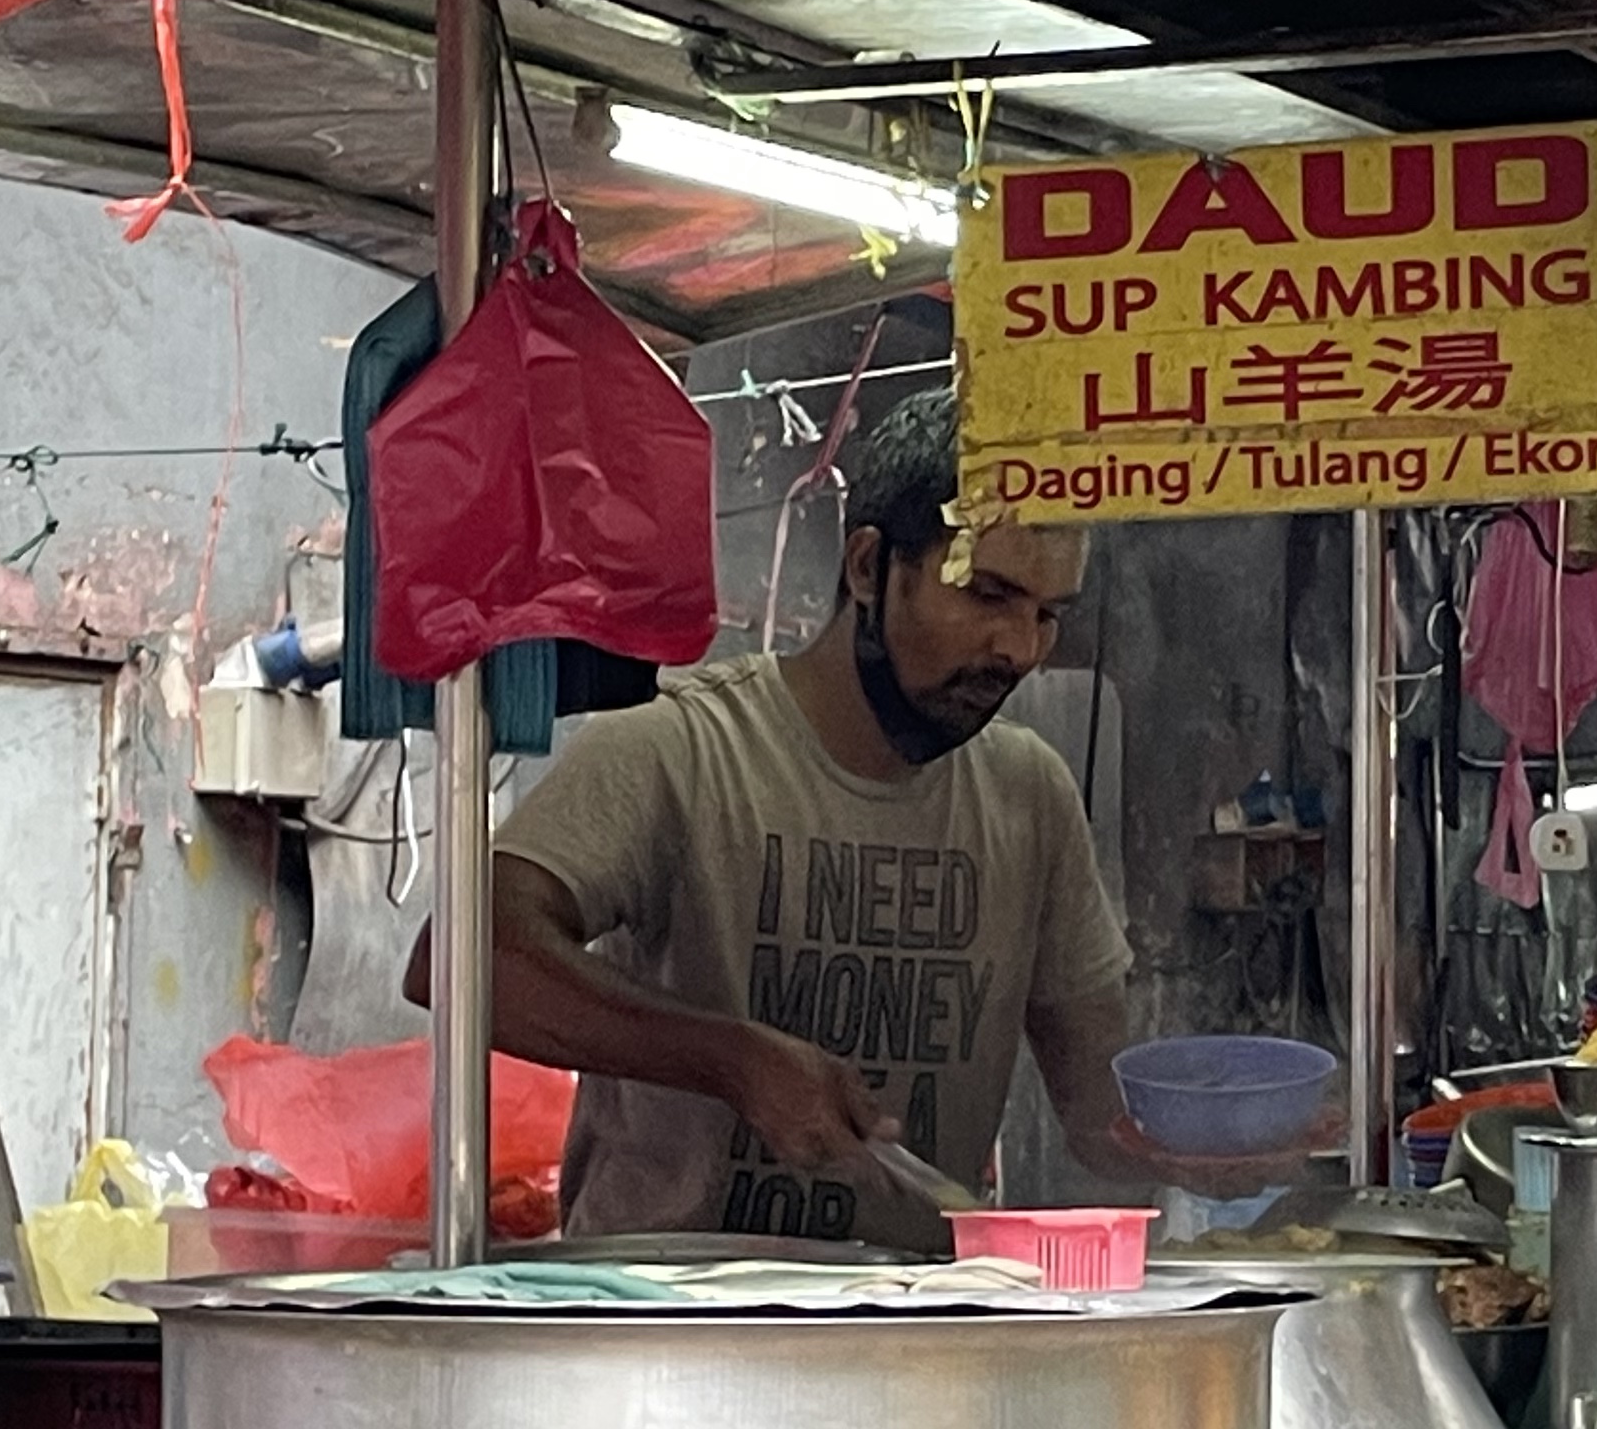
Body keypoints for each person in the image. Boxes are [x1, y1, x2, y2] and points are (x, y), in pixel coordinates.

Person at [446, 386, 1134, 1242]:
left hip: (916, 1310)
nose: (1020, 650)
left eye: (1047, 615)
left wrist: (1226, 1134)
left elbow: (1103, 1112)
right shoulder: (682, 747)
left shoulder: (1030, 795)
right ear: (868, 568)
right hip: (663, 1306)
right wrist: (730, 1059)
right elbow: (467, 961)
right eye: (987, 595)